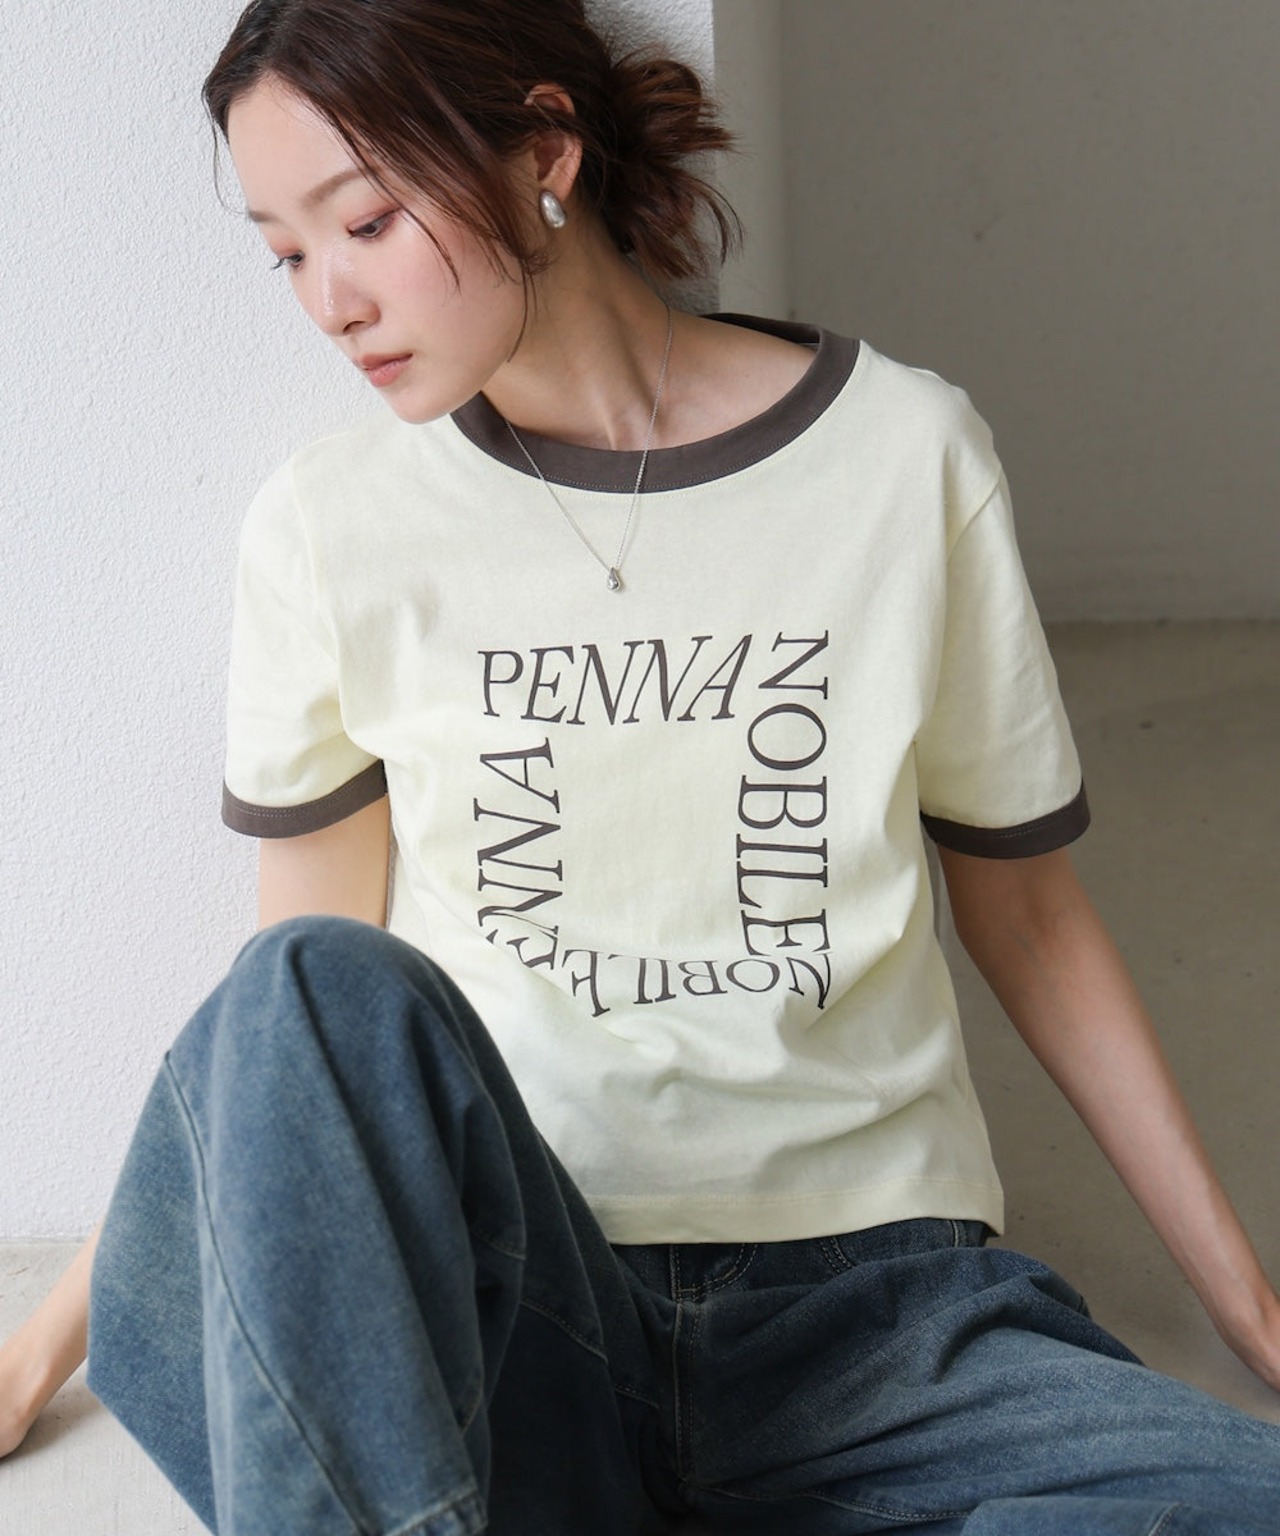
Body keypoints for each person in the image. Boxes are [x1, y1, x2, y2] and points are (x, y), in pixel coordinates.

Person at [2, 1, 1279, 1530]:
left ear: (546, 151)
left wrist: (1248, 1305)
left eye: (369, 221)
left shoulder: (903, 455)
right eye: (287, 254)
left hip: (877, 1320)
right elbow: (290, 1028)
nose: (331, 301)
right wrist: (36, 1352)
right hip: (516, 1302)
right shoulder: (332, 526)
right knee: (303, 987)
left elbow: (1034, 919)